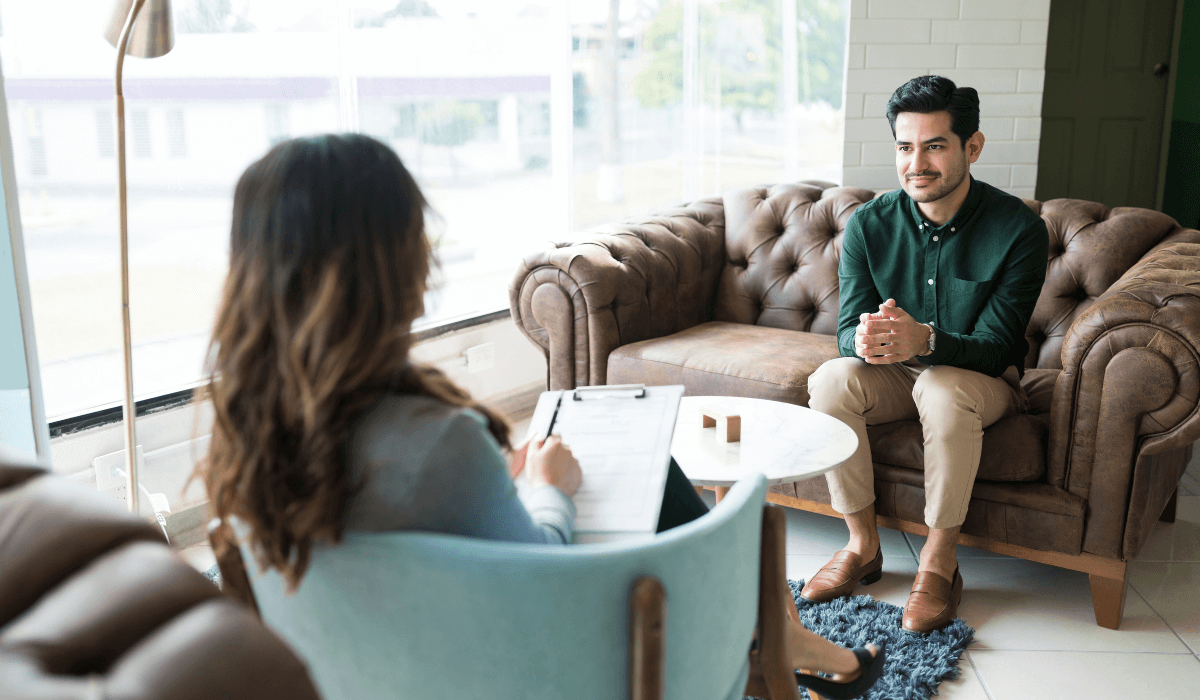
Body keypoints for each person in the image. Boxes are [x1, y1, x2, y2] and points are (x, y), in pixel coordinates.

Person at [197, 133, 882, 695]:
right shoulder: (438, 443)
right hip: (546, 670)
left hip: (377, 671)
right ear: (394, 263)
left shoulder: (244, 432)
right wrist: (546, 491)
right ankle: (781, 635)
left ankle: (788, 638)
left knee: (648, 462)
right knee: (679, 494)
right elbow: (542, 581)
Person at [802, 76, 1049, 633]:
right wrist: (864, 340)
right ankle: (862, 545)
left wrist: (929, 341)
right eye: (905, 147)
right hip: (894, 375)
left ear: (973, 148)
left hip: (977, 381)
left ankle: (939, 564)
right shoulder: (869, 223)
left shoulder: (1020, 230)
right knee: (832, 379)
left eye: (935, 145)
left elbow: (995, 347)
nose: (918, 163)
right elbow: (847, 331)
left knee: (940, 386)